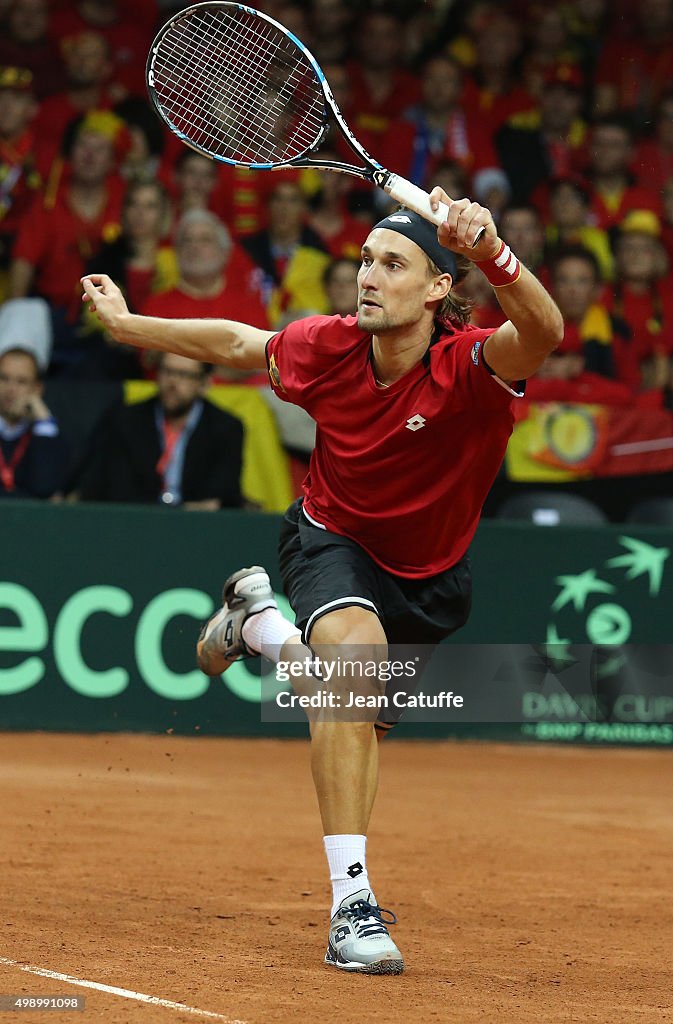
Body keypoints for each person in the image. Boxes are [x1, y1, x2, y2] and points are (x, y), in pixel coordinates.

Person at [81, 187, 563, 975]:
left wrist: (490, 250)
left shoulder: (472, 366)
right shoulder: (327, 345)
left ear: (439, 287)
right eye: (365, 260)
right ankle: (351, 907)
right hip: (331, 539)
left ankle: (258, 629)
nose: (368, 277)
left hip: (432, 578)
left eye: (393, 264)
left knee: (357, 720)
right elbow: (240, 342)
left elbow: (543, 328)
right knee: (350, 679)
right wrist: (131, 327)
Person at [75, 352, 244, 509]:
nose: (172, 382)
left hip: (198, 528)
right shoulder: (126, 420)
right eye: (167, 371)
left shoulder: (226, 428)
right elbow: (115, 488)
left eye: (184, 375)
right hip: (136, 524)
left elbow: (221, 494)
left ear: (204, 384)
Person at [0, 331, 69, 499]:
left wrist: (43, 420)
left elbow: (45, 488)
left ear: (37, 389)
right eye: (4, 378)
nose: (11, 389)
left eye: (21, 381)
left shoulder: (48, 434)